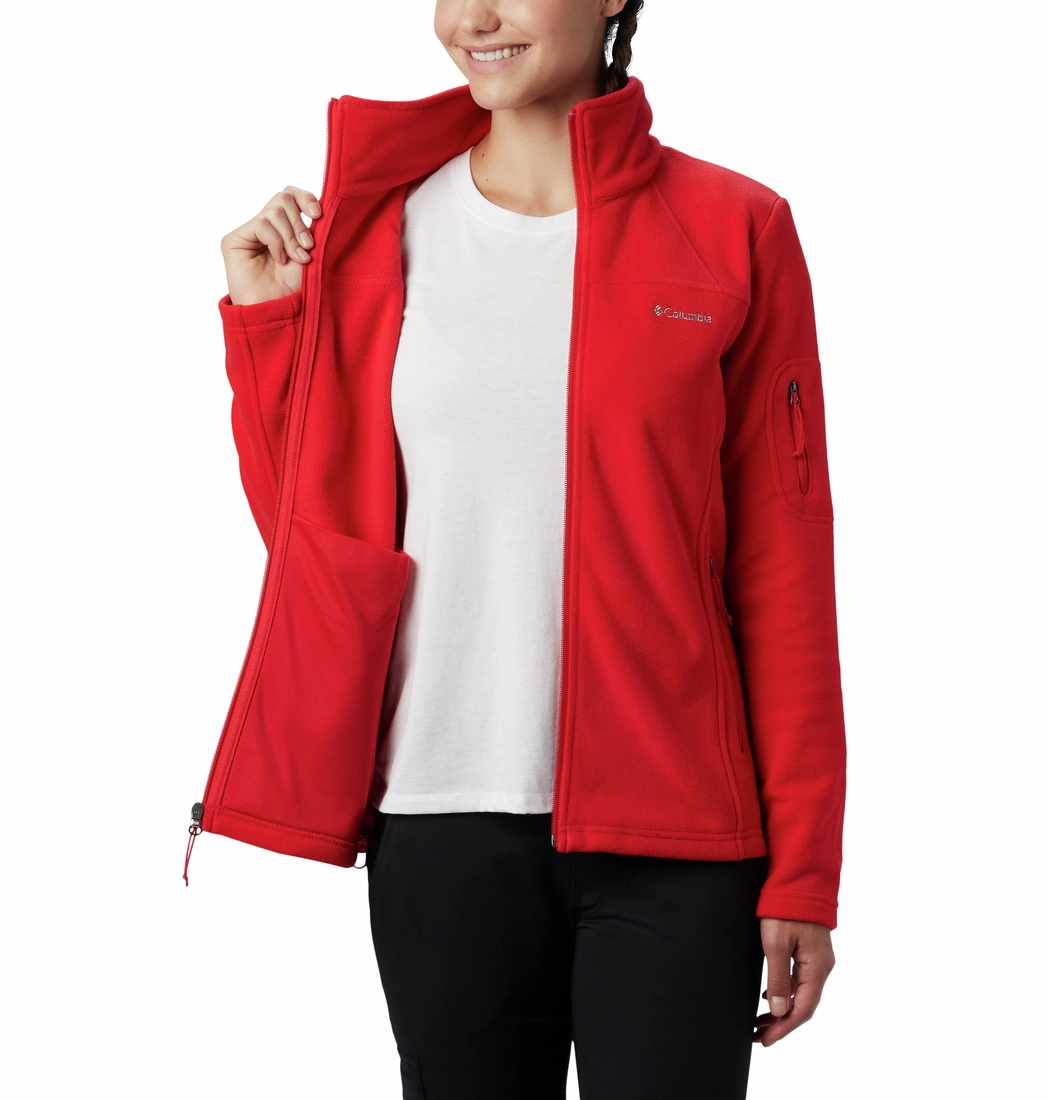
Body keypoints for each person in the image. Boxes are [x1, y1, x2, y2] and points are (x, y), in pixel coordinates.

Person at [192, 1, 847, 1096]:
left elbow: (784, 568)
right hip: (440, 817)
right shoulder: (377, 234)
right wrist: (268, 329)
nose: (473, 17)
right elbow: (317, 549)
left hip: (681, 833)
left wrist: (806, 867)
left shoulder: (734, 226)